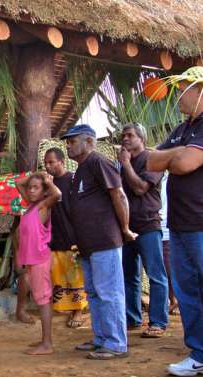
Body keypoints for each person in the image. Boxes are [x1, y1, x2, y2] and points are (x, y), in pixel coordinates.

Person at [146, 66, 203, 377]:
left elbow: (183, 164)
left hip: (200, 223)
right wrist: (174, 154)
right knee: (188, 292)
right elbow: (150, 160)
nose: (179, 94)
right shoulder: (182, 129)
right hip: (180, 225)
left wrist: (172, 155)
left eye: (185, 88)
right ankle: (199, 353)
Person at [62, 124, 136, 360]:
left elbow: (119, 194)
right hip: (88, 244)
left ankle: (115, 343)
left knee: (109, 292)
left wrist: (124, 228)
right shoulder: (81, 169)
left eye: (73, 141)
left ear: (89, 142)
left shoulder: (98, 162)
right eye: (68, 141)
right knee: (94, 292)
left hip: (105, 240)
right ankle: (101, 338)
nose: (68, 145)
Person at [118, 123, 168, 338]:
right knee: (129, 275)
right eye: (123, 136)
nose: (125, 139)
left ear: (142, 138)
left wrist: (127, 165)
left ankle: (157, 322)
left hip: (148, 224)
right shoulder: (122, 163)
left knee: (156, 275)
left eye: (130, 135)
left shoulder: (152, 159)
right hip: (128, 227)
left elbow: (140, 188)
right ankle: (132, 319)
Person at [15, 172, 61, 355]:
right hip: (32, 260)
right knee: (41, 299)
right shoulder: (31, 206)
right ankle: (44, 340)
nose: (31, 191)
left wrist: (47, 182)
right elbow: (19, 184)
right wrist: (35, 176)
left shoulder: (42, 205)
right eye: (30, 188)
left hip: (40, 259)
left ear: (43, 193)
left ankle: (47, 344)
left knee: (43, 301)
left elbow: (57, 195)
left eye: (36, 188)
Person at [43, 147, 87, 328]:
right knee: (59, 274)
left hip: (72, 236)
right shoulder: (48, 183)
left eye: (51, 162)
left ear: (61, 162)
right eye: (46, 163)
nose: (47, 166)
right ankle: (65, 307)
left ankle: (78, 310)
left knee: (75, 275)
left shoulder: (72, 180)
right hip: (55, 235)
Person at [159, 173, 178, 315]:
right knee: (161, 268)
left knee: (168, 266)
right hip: (152, 226)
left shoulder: (170, 179)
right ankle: (169, 299)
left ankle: (174, 299)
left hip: (166, 227)